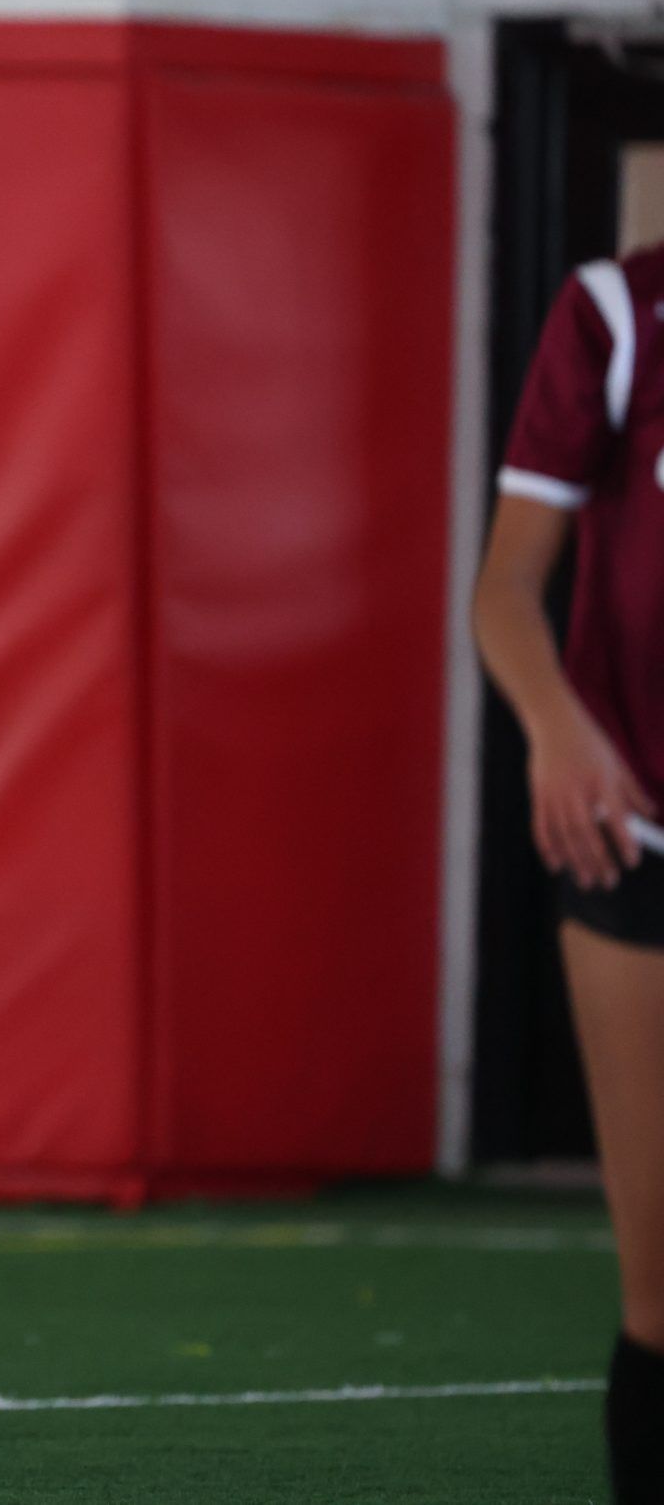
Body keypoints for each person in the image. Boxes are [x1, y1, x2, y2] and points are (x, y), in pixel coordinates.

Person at [473, 239, 664, 1505]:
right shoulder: (617, 311)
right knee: (661, 1296)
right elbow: (505, 588)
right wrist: (555, 728)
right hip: (633, 837)